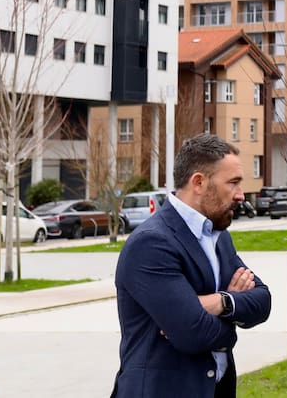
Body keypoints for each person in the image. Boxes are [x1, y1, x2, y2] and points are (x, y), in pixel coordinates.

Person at [112, 134, 271, 397]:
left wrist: (221, 302)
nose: (241, 195)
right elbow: (192, 333)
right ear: (198, 182)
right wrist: (231, 324)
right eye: (233, 183)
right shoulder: (152, 243)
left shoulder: (219, 237)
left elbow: (263, 300)